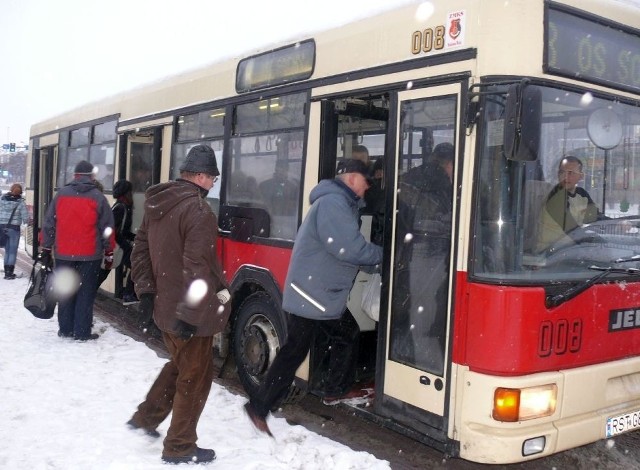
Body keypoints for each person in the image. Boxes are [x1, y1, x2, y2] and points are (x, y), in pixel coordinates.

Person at [243, 158, 383, 437]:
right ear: (352, 179)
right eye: (366, 181)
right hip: (314, 293)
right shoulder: (334, 204)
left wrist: (371, 263)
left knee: (327, 339)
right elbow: (347, 248)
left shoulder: (337, 203)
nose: (368, 187)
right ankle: (261, 406)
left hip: (317, 290)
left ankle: (330, 390)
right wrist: (385, 257)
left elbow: (344, 248)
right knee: (303, 347)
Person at [127, 144, 230, 465]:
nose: (213, 183)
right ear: (199, 176)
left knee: (180, 365)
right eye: (212, 177)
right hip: (189, 314)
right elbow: (197, 267)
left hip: (164, 306)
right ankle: (180, 447)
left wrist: (145, 293)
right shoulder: (198, 211)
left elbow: (139, 250)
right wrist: (190, 313)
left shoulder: (159, 203)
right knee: (195, 379)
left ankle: (146, 417)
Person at [40, 161, 115, 341]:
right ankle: (82, 331)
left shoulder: (61, 195)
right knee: (85, 293)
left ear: (74, 175)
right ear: (92, 176)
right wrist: (109, 251)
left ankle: (65, 329)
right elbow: (107, 228)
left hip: (64, 253)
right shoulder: (98, 197)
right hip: (90, 254)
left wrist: (46, 247)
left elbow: (49, 224)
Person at [536, 155, 601, 251]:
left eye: (571, 173)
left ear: (581, 176)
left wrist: (618, 223)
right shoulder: (556, 196)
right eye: (562, 172)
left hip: (569, 250)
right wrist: (599, 242)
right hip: (549, 254)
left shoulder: (582, 194)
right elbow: (573, 230)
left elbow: (595, 217)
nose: (565, 176)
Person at [97, 180, 137, 303]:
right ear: (125, 193)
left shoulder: (121, 206)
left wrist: (134, 237)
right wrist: (126, 245)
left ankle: (129, 293)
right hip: (116, 246)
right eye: (130, 192)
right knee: (137, 264)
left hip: (117, 245)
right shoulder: (121, 208)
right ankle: (129, 294)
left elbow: (121, 230)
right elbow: (113, 230)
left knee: (103, 272)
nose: (132, 194)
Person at [0, 183, 29, 279]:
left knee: (7, 251)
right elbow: (26, 218)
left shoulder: (2, 199)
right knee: (12, 252)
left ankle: (6, 273)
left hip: (2, 227)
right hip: (14, 229)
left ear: (11, 189)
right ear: (20, 192)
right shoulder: (20, 203)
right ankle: (9, 273)